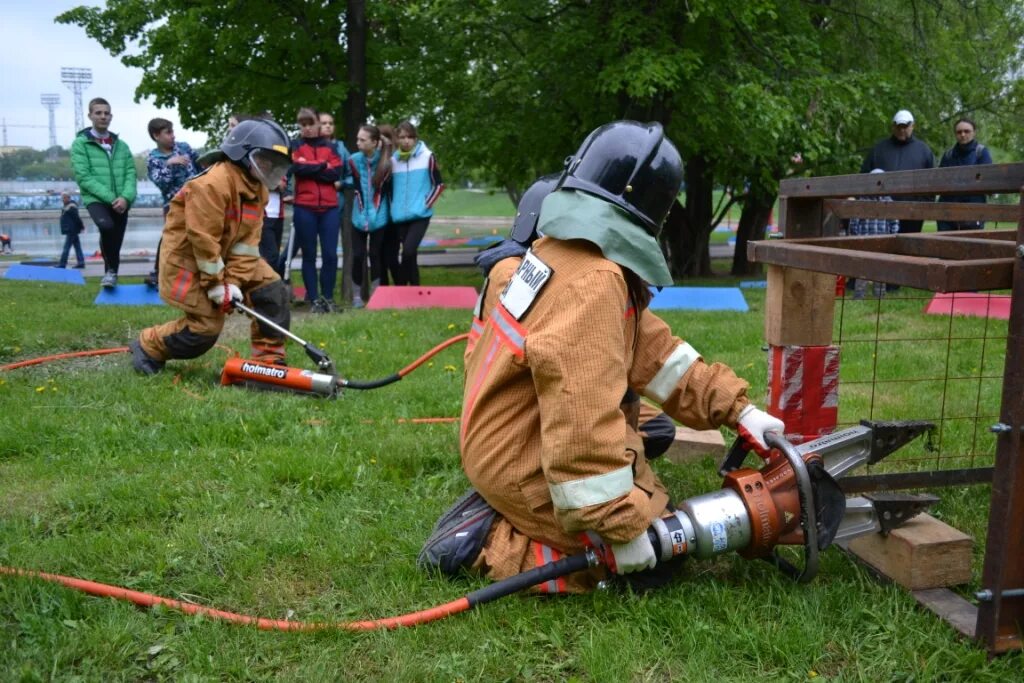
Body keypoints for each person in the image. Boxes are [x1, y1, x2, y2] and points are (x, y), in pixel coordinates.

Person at [419, 121, 785, 594]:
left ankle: (508, 503)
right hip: (519, 457)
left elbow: (655, 353)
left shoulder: (562, 252)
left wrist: (738, 409)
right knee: (653, 563)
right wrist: (622, 528)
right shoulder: (595, 283)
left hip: (500, 436)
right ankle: (482, 542)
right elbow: (580, 415)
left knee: (650, 439)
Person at [128, 119, 294, 376]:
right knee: (204, 331)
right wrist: (218, 285)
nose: (270, 168)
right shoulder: (211, 185)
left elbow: (248, 245)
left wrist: (235, 282)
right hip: (190, 262)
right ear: (242, 154)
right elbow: (203, 240)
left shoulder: (257, 188)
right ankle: (149, 344)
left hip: (223, 258)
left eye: (275, 163)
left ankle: (268, 362)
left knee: (272, 291)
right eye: (265, 160)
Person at [69, 97, 138, 288]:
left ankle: (112, 273)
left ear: (111, 116)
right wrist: (111, 197)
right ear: (90, 115)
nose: (103, 116)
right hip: (96, 199)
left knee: (116, 238)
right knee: (106, 227)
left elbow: (130, 173)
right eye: (98, 113)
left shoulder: (121, 145)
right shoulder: (80, 144)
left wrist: (125, 197)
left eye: (106, 113)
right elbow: (83, 176)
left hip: (121, 201)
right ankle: (110, 273)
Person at [290, 107, 344, 313]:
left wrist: (310, 167)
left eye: (311, 124)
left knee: (330, 254)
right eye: (303, 125)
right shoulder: (295, 145)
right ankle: (314, 301)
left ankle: (328, 297)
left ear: (318, 124)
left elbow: (336, 173)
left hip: (329, 208)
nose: (308, 129)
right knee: (309, 255)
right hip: (305, 207)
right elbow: (296, 168)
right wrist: (322, 166)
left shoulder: (331, 147)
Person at [859, 109, 934, 234]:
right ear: (893, 126)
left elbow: (931, 181)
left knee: (910, 246)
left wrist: (924, 207)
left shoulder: (924, 150)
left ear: (912, 126)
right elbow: (864, 176)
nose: (902, 130)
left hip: (913, 211)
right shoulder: (879, 149)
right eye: (898, 126)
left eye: (905, 126)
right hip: (883, 211)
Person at [145, 118, 201, 287]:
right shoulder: (153, 160)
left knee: (199, 235)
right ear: (156, 136)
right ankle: (158, 273)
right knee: (171, 239)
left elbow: (201, 165)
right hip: (174, 205)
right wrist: (169, 165)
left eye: (172, 131)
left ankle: (197, 274)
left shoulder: (183, 148)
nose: (173, 136)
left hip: (197, 200)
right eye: (168, 133)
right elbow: (162, 183)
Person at [389, 121, 445, 285]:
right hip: (399, 215)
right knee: (410, 256)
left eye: (410, 137)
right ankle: (414, 289)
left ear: (415, 138)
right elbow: (390, 188)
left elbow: (439, 185)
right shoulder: (393, 161)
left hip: (420, 214)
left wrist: (426, 203)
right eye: (402, 137)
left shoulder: (427, 157)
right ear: (397, 139)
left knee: (408, 250)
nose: (406, 141)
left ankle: (400, 283)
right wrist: (394, 207)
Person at [348, 124, 393, 308]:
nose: (358, 142)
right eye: (358, 139)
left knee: (376, 255)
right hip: (358, 216)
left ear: (374, 142)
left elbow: (386, 191)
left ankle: (376, 296)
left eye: (362, 140)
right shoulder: (353, 160)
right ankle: (356, 297)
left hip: (379, 217)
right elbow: (351, 183)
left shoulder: (386, 163)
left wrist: (379, 214)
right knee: (358, 255)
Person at [847, 169, 899, 300]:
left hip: (883, 240)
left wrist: (893, 237)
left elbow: (894, 221)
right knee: (862, 269)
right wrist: (856, 238)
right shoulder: (863, 201)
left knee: (881, 269)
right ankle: (859, 295)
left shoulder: (888, 200)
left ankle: (879, 295)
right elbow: (854, 222)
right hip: (865, 240)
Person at [937, 117, 993, 231]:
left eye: (966, 131)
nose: (962, 134)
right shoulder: (948, 155)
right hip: (948, 213)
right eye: (959, 132)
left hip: (973, 211)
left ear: (974, 133)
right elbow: (940, 181)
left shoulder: (981, 152)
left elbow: (987, 180)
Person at [56, 191, 87, 269]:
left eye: (63, 198)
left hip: (71, 230)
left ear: (68, 198)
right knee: (77, 246)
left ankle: (62, 264)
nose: (62, 200)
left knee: (66, 247)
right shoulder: (67, 206)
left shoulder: (71, 206)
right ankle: (81, 262)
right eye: (62, 198)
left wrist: (82, 226)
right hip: (72, 229)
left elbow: (76, 218)